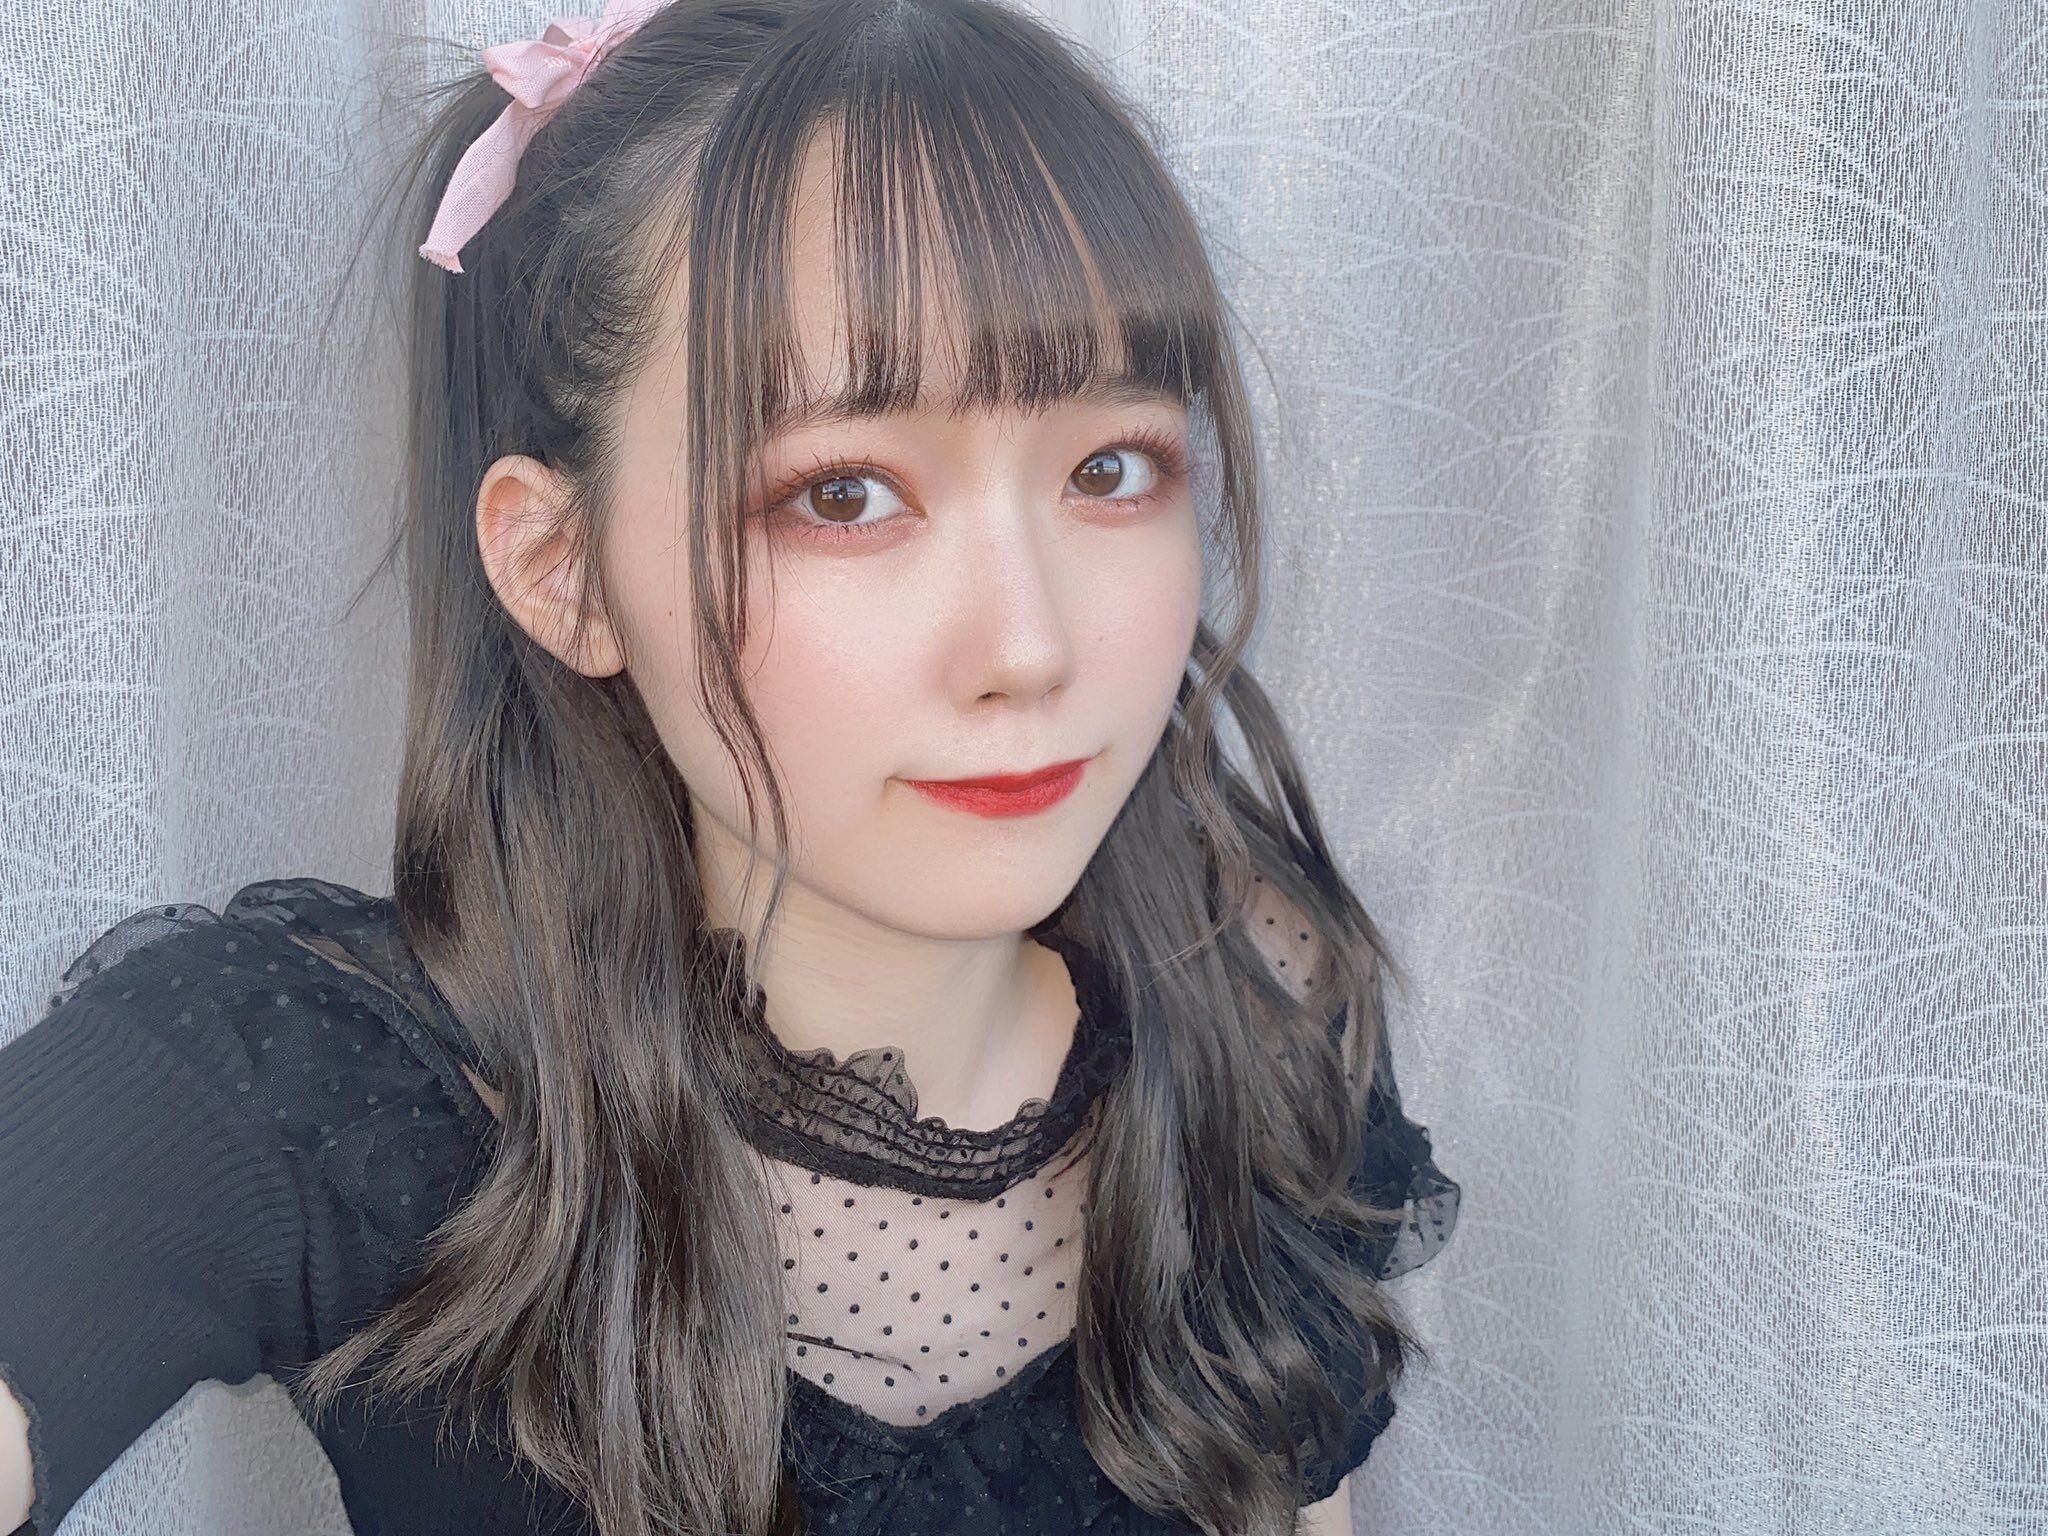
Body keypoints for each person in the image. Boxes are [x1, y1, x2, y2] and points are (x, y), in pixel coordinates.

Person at [0, 0, 1460, 1531]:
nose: (1031, 648)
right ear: (563, 569)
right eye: (844, 494)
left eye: (1111, 469)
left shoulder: (1256, 1009)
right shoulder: (313, 1083)